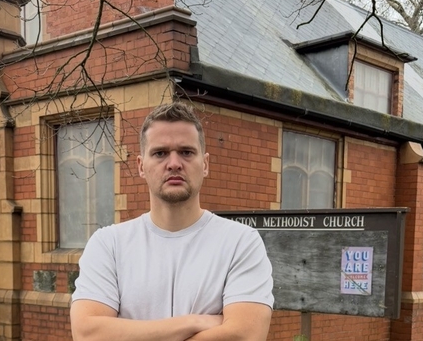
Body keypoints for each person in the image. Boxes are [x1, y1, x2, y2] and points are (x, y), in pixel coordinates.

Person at [70, 102, 274, 341]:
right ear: (141, 166)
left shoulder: (240, 243)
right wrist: (195, 321)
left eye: (186, 152)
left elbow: (244, 335)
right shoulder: (109, 245)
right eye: (160, 153)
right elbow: (87, 334)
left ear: (205, 164)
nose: (174, 163)